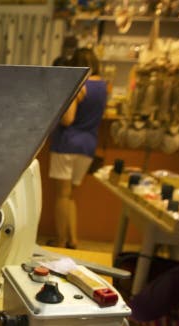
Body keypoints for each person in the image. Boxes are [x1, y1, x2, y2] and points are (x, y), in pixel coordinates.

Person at [48, 47, 108, 249]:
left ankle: (60, 240)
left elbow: (68, 119)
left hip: (68, 143)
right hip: (89, 145)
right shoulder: (103, 87)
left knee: (62, 195)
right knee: (70, 195)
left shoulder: (79, 83)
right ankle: (73, 239)